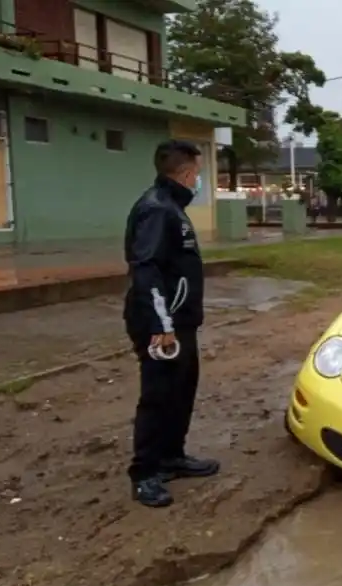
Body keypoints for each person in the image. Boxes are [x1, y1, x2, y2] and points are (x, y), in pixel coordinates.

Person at [123, 139, 219, 508]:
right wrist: (162, 325)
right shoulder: (156, 209)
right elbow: (146, 269)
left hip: (180, 321)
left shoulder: (172, 208)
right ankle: (145, 473)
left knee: (182, 389)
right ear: (186, 173)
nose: (199, 181)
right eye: (198, 173)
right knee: (159, 395)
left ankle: (171, 456)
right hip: (160, 324)